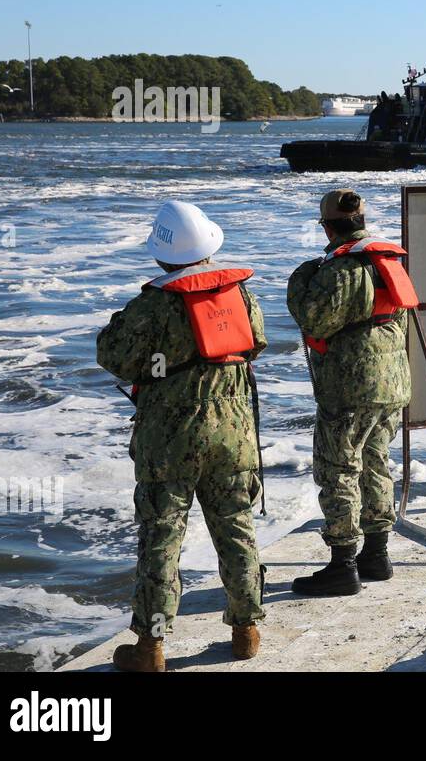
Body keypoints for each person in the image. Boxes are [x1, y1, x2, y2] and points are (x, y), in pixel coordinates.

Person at [97, 201, 268, 672]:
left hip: (169, 437)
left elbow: (113, 355)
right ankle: (245, 630)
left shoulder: (151, 305)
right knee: (235, 525)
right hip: (233, 431)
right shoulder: (242, 295)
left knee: (161, 535)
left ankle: (151, 647)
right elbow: (257, 342)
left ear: (162, 255)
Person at [287, 189, 417, 596]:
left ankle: (343, 563)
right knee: (377, 462)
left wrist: (302, 277)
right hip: (393, 381)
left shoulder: (337, 270)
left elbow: (313, 320)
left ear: (327, 226)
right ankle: (376, 555)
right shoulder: (388, 262)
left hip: (350, 385)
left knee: (339, 469)